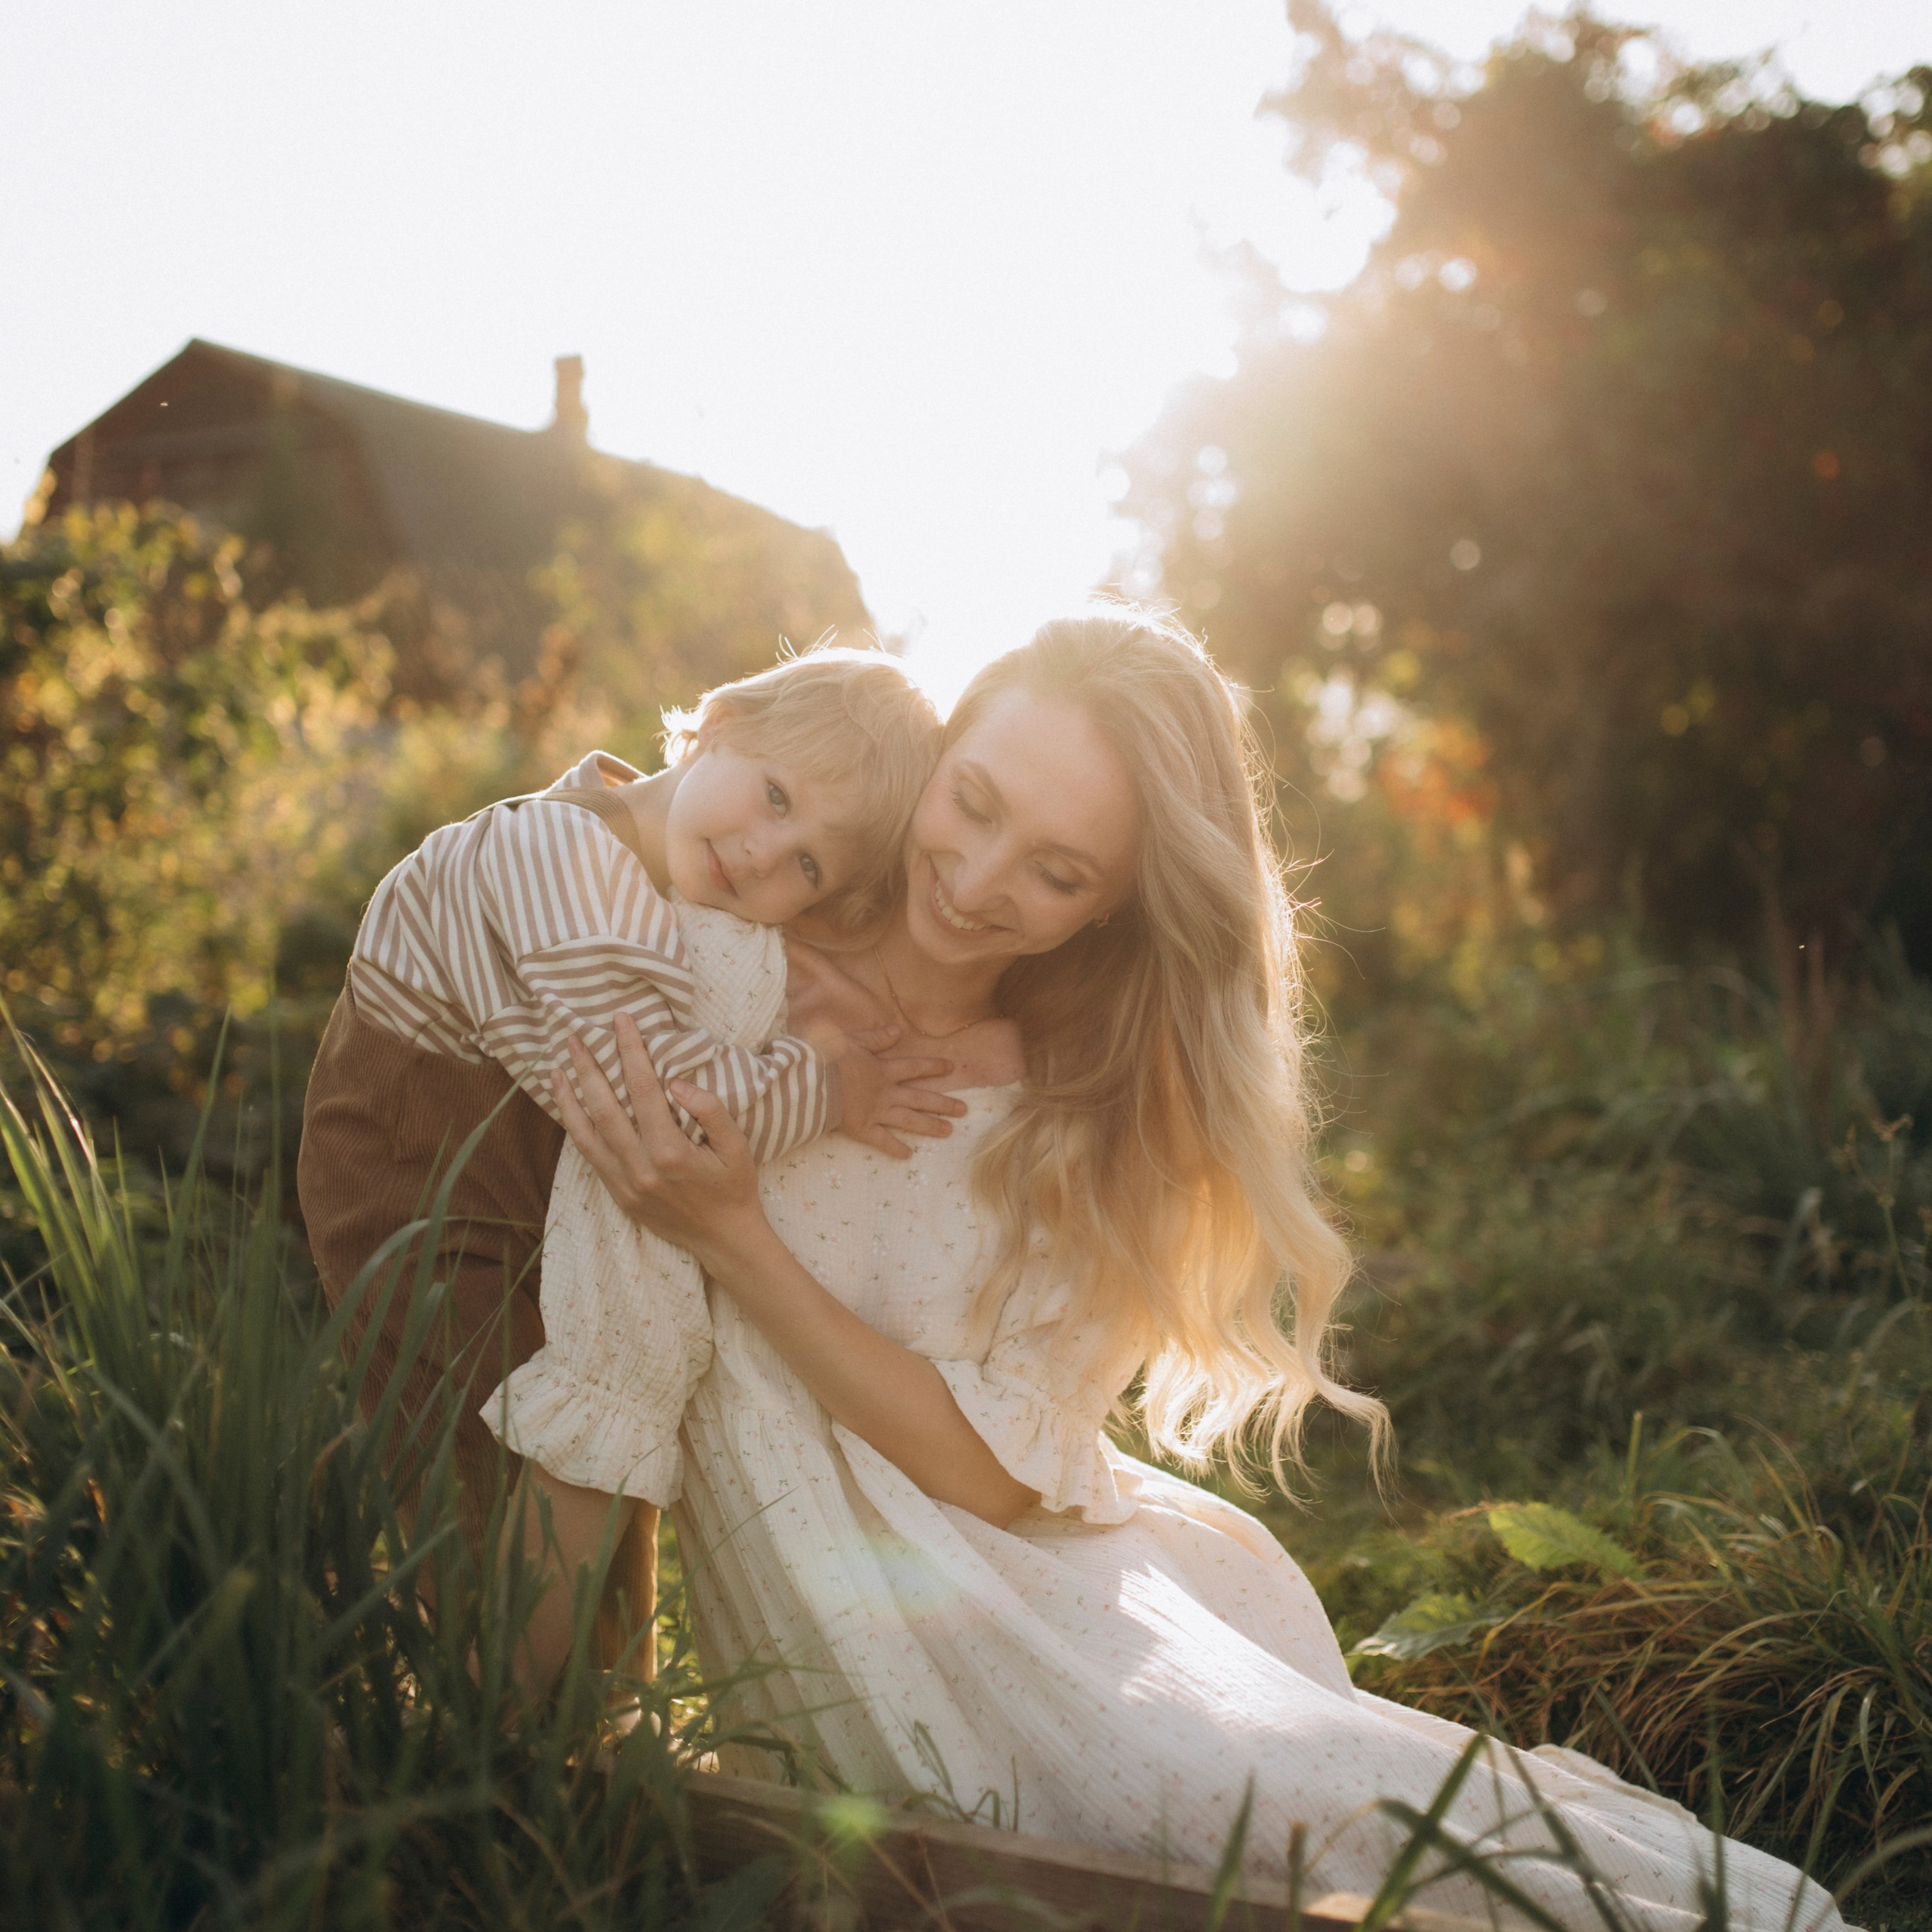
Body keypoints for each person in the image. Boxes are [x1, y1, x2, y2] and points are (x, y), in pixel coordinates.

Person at [553, 610, 1847, 1928]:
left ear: (1119, 901)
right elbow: (522, 870)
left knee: (1326, 1831)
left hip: (1026, 1594)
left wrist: (733, 1238)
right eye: (974, 801)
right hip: (827, 1609)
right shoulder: (732, 926)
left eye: (1056, 873)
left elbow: (995, 1477)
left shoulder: (1101, 1112)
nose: (979, 879)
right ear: (937, 752)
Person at [297, 644, 955, 1654]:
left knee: (591, 1469)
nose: (764, 855)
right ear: (722, 722)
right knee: (478, 1497)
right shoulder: (554, 858)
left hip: (521, 1201)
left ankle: (604, 1737)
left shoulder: (647, 880)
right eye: (775, 797)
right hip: (426, 1210)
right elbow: (666, 1114)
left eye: (809, 867)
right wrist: (825, 1084)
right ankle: (488, 1756)